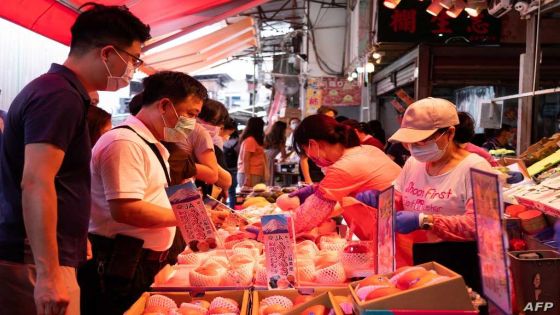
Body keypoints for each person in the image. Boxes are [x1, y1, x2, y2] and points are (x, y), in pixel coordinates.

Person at [0, 4, 150, 315]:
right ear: (108, 52)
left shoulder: (61, 92)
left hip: (46, 253)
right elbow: (36, 182)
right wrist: (47, 273)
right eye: (133, 59)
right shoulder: (59, 97)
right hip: (32, 256)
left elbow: (61, 181)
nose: (132, 69)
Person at [80, 71, 207, 314]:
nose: (193, 123)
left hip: (141, 261)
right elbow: (126, 209)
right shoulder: (124, 143)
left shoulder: (150, 144)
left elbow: (151, 198)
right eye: (191, 114)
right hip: (121, 263)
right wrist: (189, 217)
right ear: (165, 105)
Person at [377, 97, 494, 292]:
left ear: (449, 133)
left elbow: (482, 225)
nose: (414, 148)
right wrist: (382, 201)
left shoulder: (477, 168)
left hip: (459, 261)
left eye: (422, 141)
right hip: (417, 257)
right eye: (409, 142)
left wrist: (426, 220)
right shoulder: (413, 163)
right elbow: (398, 195)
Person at [289, 114, 401, 237]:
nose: (308, 155)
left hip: (393, 234)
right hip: (400, 227)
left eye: (305, 149)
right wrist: (315, 189)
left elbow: (308, 216)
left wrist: (271, 229)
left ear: (313, 144)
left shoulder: (343, 167)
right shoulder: (368, 149)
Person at [196, 99, 232, 199]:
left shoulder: (214, 148)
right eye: (213, 122)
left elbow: (226, 181)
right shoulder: (174, 145)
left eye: (219, 123)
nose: (216, 127)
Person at [238, 117, 267, 187]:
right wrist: (247, 177)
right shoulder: (250, 140)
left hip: (255, 173)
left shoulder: (254, 140)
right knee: (250, 196)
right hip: (251, 174)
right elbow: (246, 160)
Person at [264, 121, 288, 186]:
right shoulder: (281, 138)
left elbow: (265, 148)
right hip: (270, 160)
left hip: (264, 158)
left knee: (264, 179)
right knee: (269, 179)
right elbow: (284, 154)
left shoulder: (268, 136)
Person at [223, 119, 240, 208]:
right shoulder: (237, 141)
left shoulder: (221, 139)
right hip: (233, 168)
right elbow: (239, 155)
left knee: (224, 191)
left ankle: (226, 209)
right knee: (232, 191)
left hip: (223, 168)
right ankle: (232, 209)